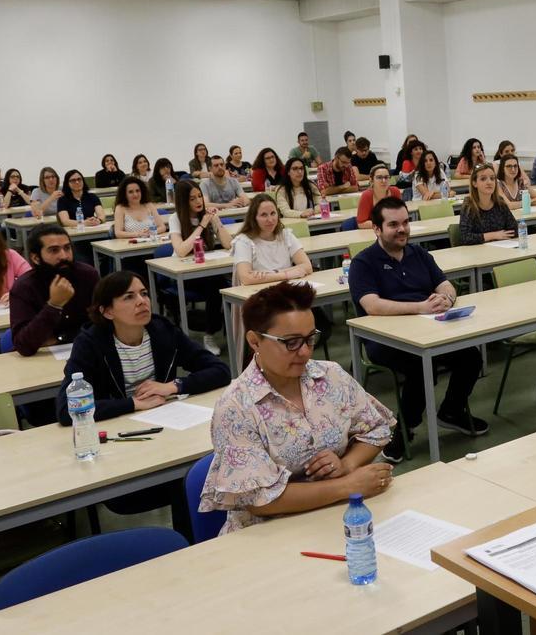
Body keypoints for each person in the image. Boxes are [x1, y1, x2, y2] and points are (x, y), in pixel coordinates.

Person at [199, 281, 394, 533]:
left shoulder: (330, 376)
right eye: (290, 342)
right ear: (255, 341)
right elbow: (258, 500)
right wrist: (347, 486)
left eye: (310, 338)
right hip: (269, 533)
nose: (304, 352)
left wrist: (346, 465)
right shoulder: (236, 407)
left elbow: (377, 429)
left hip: (335, 517)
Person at [349, 197, 489, 462]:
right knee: (418, 367)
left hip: (426, 329)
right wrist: (420, 307)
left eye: (405, 223)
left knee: (470, 356)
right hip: (384, 338)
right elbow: (371, 305)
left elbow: (445, 285)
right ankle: (404, 430)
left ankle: (451, 410)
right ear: (377, 229)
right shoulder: (363, 263)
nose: (402, 229)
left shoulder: (419, 254)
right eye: (393, 225)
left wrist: (446, 299)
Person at [55, 271, 230, 425]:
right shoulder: (90, 343)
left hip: (165, 417)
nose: (141, 301)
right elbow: (66, 409)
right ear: (108, 311)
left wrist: (172, 386)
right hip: (115, 426)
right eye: (129, 297)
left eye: (144, 294)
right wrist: (133, 403)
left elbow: (220, 370)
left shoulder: (163, 330)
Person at [10, 223, 100, 357]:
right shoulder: (24, 287)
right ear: (36, 258)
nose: (64, 256)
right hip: (42, 362)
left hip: (88, 352)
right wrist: (54, 305)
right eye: (54, 250)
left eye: (67, 248)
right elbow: (24, 345)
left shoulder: (88, 275)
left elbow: (103, 322)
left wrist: (59, 338)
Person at [170, 180, 233, 354]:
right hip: (183, 274)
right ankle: (210, 335)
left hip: (208, 269)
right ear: (183, 201)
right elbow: (182, 251)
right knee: (216, 284)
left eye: (199, 196)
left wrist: (216, 221)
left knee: (228, 279)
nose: (198, 201)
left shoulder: (207, 214)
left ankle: (233, 329)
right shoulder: (175, 218)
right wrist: (202, 224)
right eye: (192, 199)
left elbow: (228, 244)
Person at [233, 194, 313, 285]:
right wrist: (287, 274)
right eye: (264, 215)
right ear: (254, 218)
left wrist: (270, 273)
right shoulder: (243, 241)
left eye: (273, 213)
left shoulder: (285, 235)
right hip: (257, 294)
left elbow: (307, 266)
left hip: (284, 289)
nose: (270, 220)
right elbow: (246, 278)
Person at [459, 164, 517, 245]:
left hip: (501, 248)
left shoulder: (500, 202)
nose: (489, 182)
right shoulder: (468, 205)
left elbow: (514, 229)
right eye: (483, 179)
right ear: (474, 183)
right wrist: (493, 235)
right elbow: (464, 237)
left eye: (492, 178)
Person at [356, 164, 401, 229]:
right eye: (379, 177)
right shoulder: (367, 196)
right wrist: (385, 225)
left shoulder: (395, 191)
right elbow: (361, 223)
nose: (383, 181)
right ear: (371, 180)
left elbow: (400, 215)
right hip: (373, 232)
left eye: (386, 177)